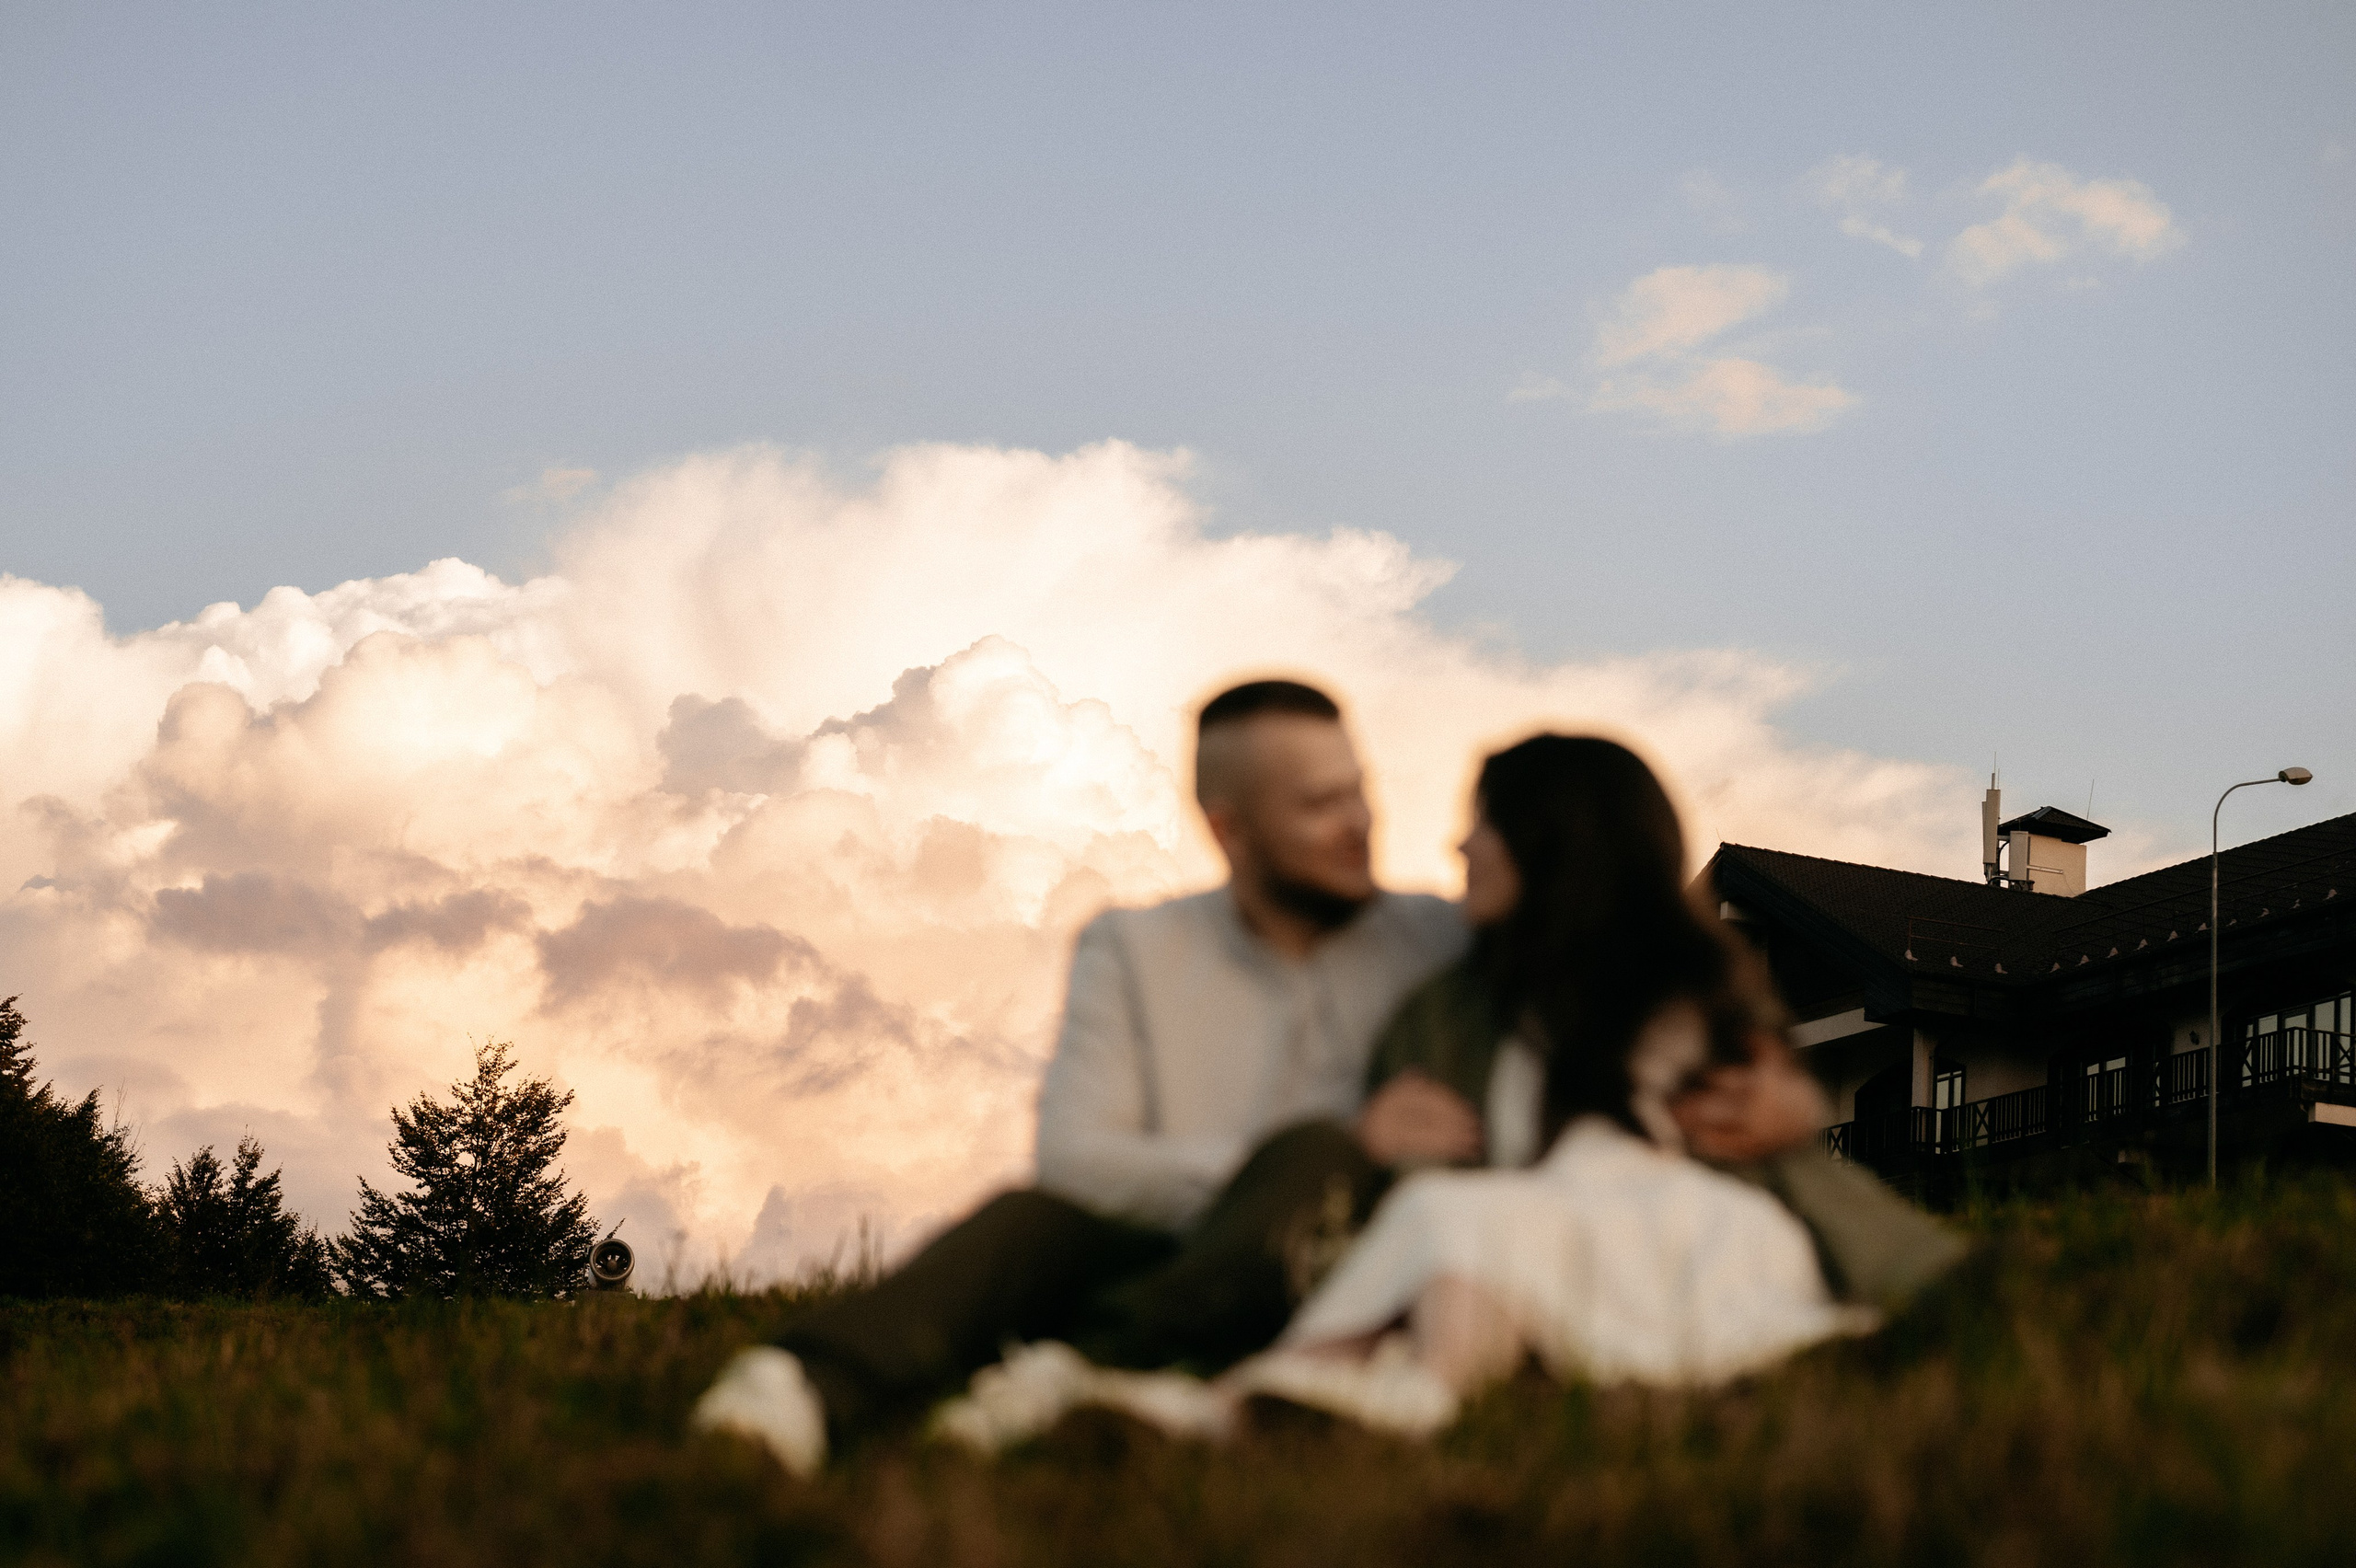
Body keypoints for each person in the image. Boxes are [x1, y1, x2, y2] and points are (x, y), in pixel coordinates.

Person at [930, 734, 1962, 1449]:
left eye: (1482, 826)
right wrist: (1371, 1145)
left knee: (1450, 1218)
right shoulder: (1441, 1015)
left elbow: (1786, 1167)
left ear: (1546, 843)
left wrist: (1898, 1243)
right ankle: (1294, 1397)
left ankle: (1336, 1393)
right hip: (1502, 1259)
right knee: (1448, 1221)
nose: (1457, 847)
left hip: (1682, 1247)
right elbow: (1377, 1179)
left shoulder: (1698, 994)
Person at [691, 679, 1466, 1474]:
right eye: (1319, 805)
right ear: (1229, 829)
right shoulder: (1136, 949)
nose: (1360, 823)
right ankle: (797, 1390)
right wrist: (1269, 1178)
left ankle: (1078, 1372)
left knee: (1321, 1159)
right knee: (1029, 1223)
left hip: (1349, 1270)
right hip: (1158, 1251)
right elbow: (1075, 1162)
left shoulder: (1441, 939)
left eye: (1358, 791)